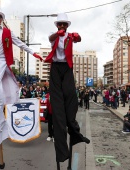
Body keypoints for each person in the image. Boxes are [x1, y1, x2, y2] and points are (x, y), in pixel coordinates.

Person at [0, 5, 43, 150]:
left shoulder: (7, 32)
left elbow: (20, 43)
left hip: (1, 62)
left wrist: (33, 53)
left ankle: (2, 119)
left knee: (1, 89)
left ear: (2, 19)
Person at [44, 13, 90, 163]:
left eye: (64, 24)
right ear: (57, 25)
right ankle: (62, 150)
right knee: (57, 101)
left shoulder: (69, 36)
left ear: (68, 25)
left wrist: (77, 36)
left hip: (67, 67)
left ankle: (73, 128)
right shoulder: (54, 36)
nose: (62, 26)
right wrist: (57, 34)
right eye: (60, 24)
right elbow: (50, 39)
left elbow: (80, 39)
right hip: (56, 67)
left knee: (70, 94)